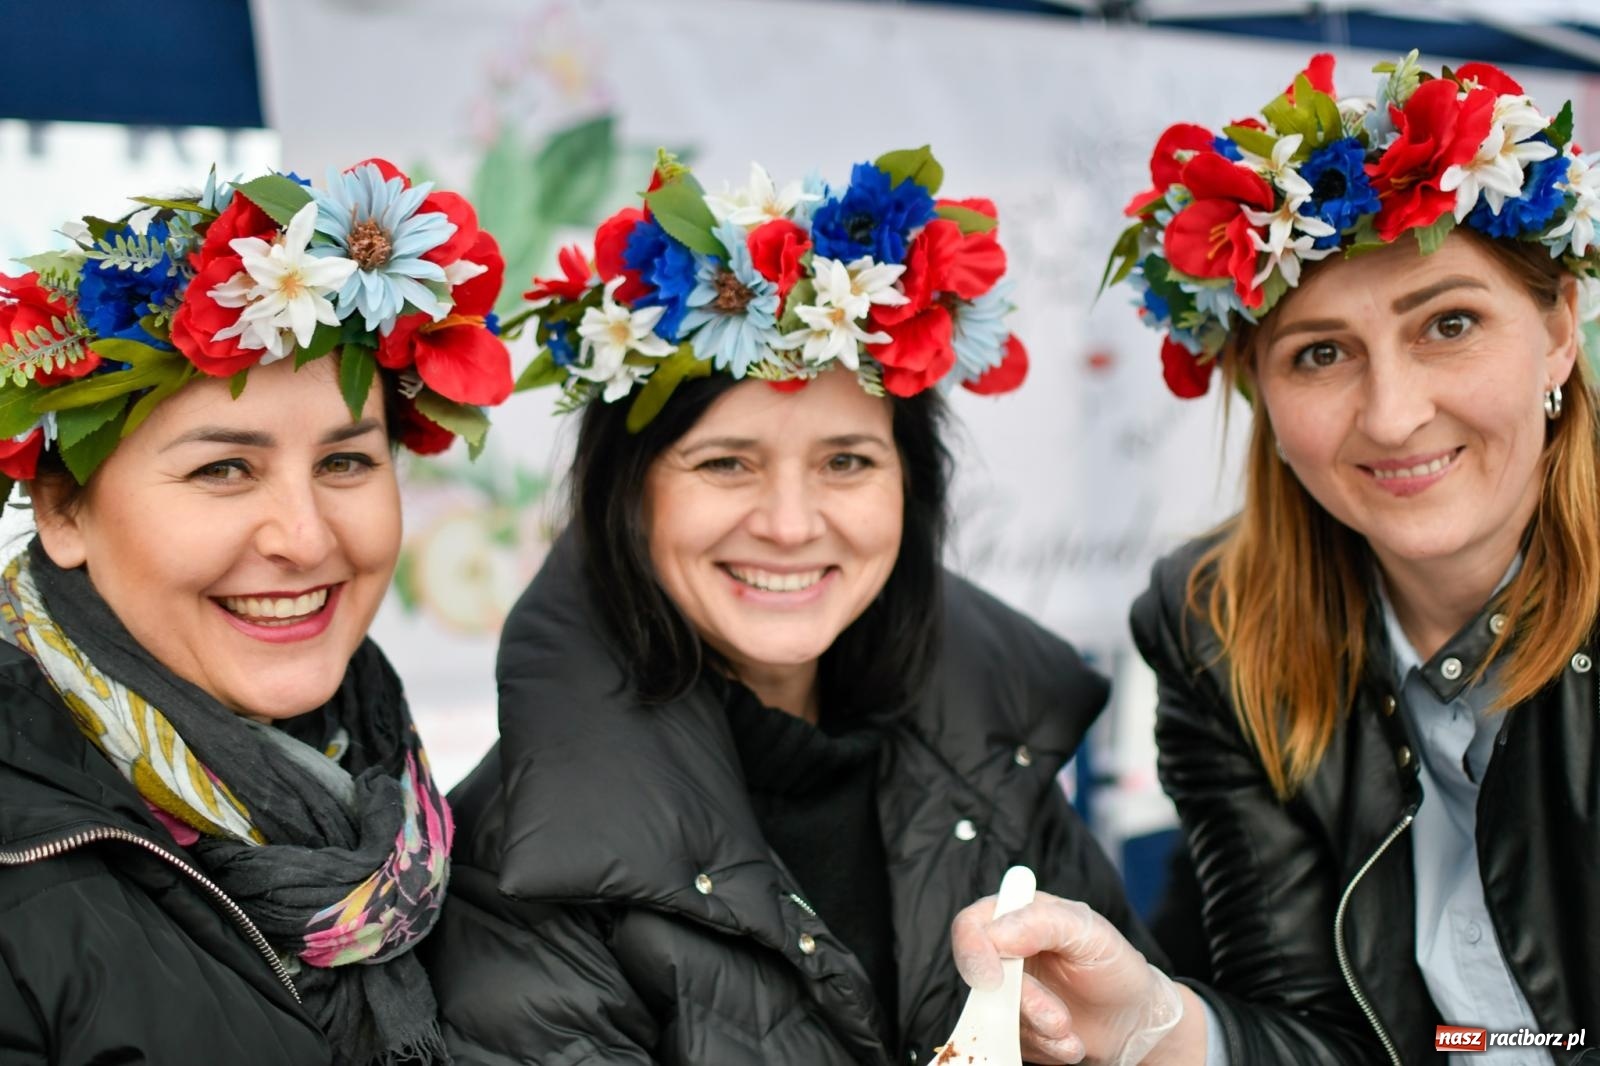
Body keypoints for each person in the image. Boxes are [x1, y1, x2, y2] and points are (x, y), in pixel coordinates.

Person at [423, 147, 1161, 1065]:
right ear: (629, 496)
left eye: (846, 461)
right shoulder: (522, 860)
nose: (788, 524)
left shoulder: (997, 750)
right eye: (725, 462)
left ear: (910, 491)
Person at [951, 51, 1600, 1065]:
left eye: (1450, 323)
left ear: (1558, 328)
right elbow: (1314, 1035)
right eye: (1321, 352)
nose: (1391, 415)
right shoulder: (1216, 624)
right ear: (1258, 388)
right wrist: (1152, 1026)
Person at [0, 159, 517, 1065]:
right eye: (223, 469)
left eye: (346, 463)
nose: (305, 539)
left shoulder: (446, 828)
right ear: (62, 509)